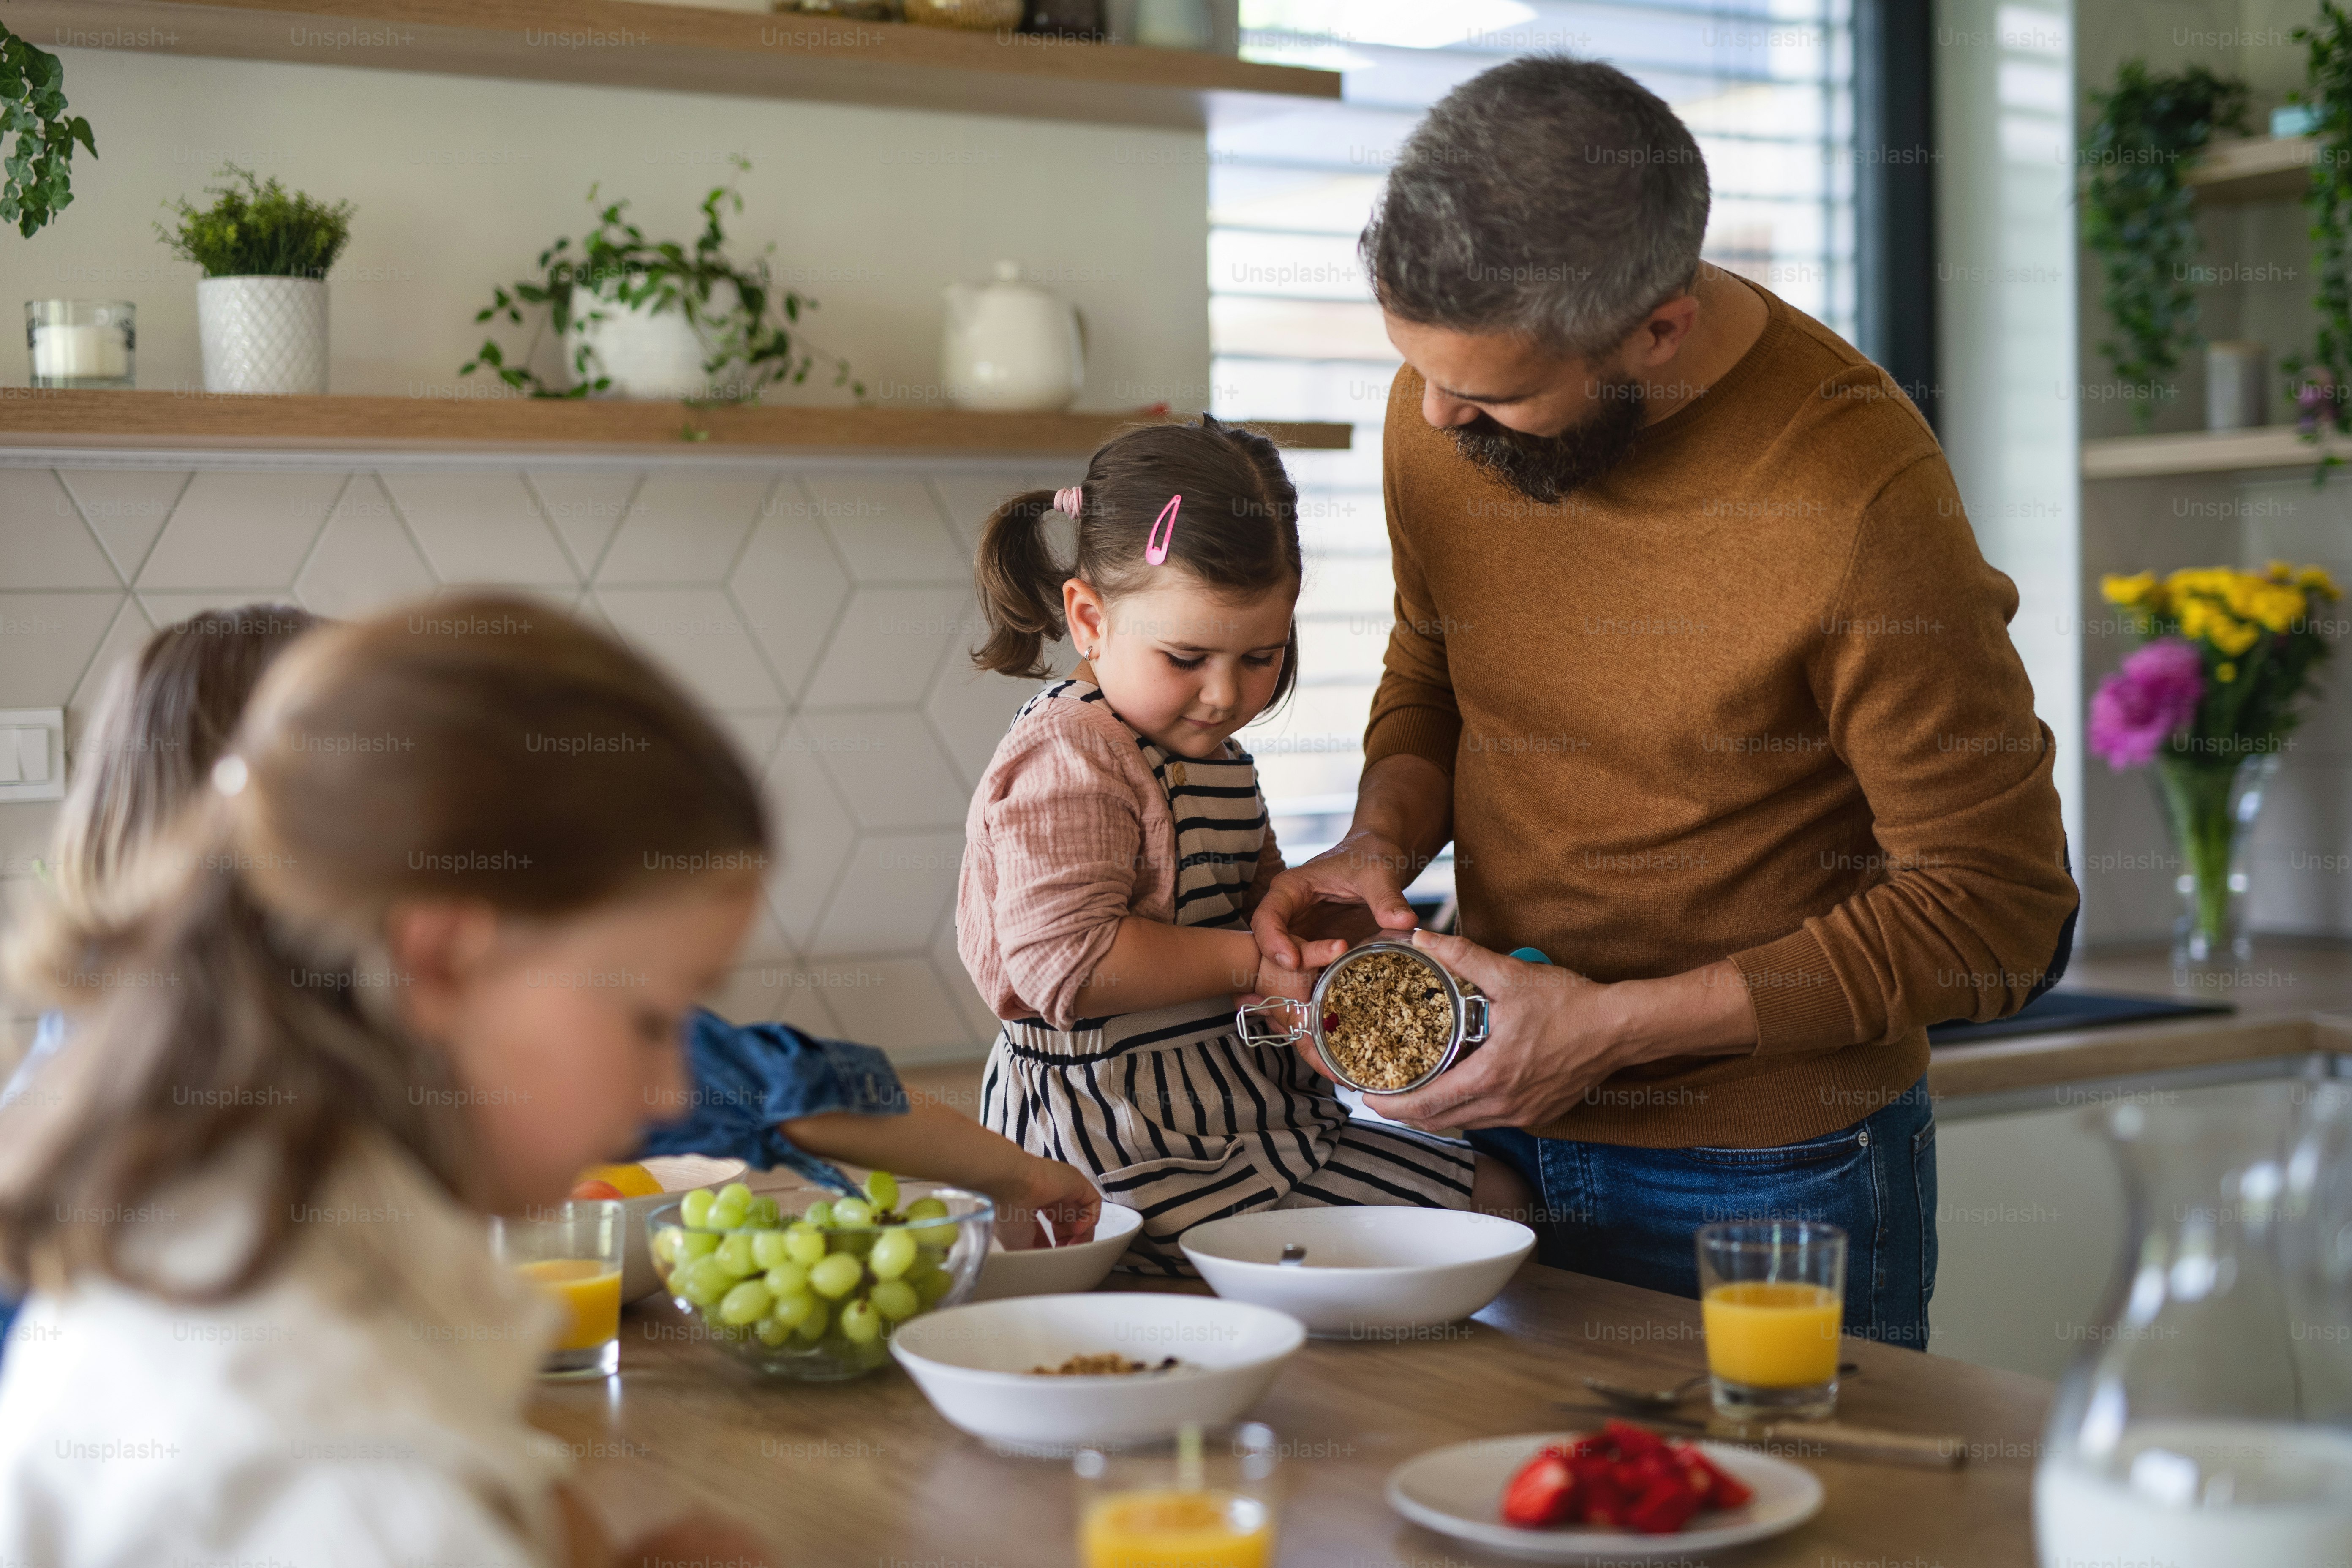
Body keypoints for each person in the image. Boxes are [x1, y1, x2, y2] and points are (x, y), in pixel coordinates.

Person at [1252, 57, 2079, 1348]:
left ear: (1658, 329)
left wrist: (1616, 1028)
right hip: (1498, 1128)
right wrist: (1379, 846)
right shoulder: (1447, 411)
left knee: (1794, 1530)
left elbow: (2001, 912)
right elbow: (1434, 667)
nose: (1432, 412)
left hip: (1768, 1172)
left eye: (1494, 394)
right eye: (1414, 368)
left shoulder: (1858, 498)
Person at [0, 605, 1096, 1360]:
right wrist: (1014, 1173)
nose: (659, 1079)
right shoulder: (288, 1307)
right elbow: (770, 1085)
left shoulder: (81, 1089)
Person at [957, 416, 1531, 1276]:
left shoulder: (1207, 750)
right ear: (1088, 618)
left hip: (1243, 1116)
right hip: (1114, 1143)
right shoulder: (1072, 757)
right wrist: (1254, 966)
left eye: (1262, 655)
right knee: (1493, 1204)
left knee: (1501, 1198)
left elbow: (1251, 914)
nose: (1226, 694)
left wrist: (1328, 949)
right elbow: (1065, 963)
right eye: (1187, 655)